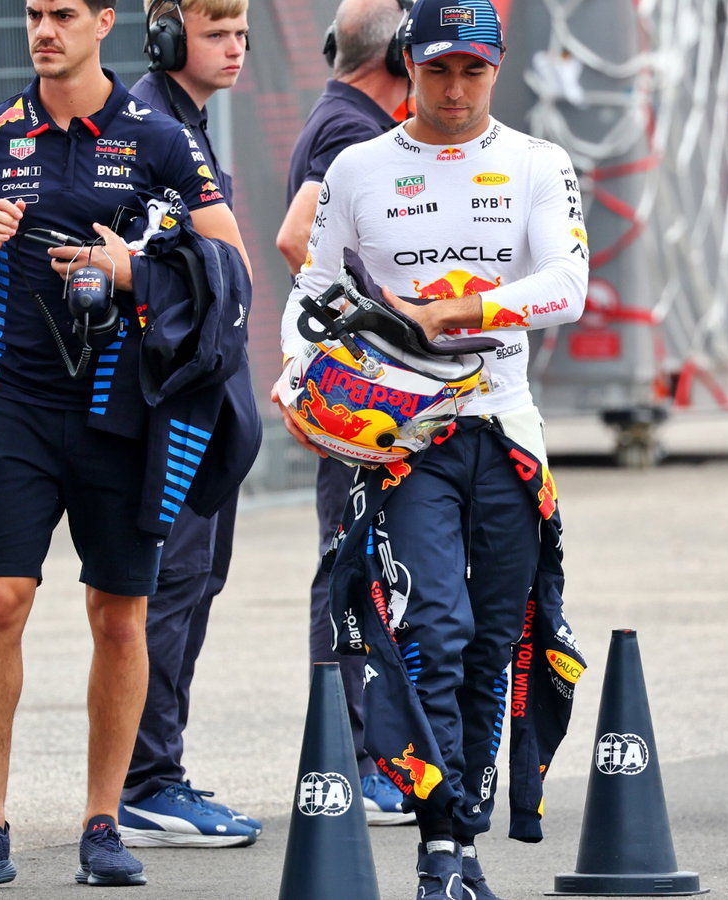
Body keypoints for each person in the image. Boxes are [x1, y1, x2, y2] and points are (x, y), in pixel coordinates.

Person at [0, 0, 249, 889]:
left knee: (118, 615)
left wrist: (131, 270)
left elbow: (234, 269)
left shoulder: (158, 135)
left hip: (124, 411)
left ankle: (104, 824)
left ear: (104, 21)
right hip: (16, 403)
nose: (44, 30)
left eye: (63, 14)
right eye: (33, 14)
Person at [276, 1, 587, 896]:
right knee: (433, 629)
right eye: (439, 69)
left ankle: (466, 844)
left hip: (507, 430)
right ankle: (439, 844)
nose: (455, 89)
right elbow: (313, 287)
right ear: (408, 63)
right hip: (408, 442)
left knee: (494, 641)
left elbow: (567, 285)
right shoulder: (357, 167)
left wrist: (461, 309)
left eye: (473, 71)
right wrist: (301, 381)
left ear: (497, 67)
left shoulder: (537, 162)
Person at [117, 0, 261, 849]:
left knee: (196, 582)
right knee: (171, 587)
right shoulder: (151, 129)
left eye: (241, 33)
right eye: (216, 33)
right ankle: (147, 782)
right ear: (166, 36)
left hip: (203, 400)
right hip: (169, 406)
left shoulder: (189, 125)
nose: (235, 48)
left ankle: (155, 772)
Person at [274, 0, 417, 827]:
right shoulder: (348, 132)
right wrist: (378, 331)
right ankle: (353, 762)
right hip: (359, 396)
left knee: (369, 564)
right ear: (398, 55)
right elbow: (299, 235)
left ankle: (369, 756)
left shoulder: (350, 122)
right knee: (351, 566)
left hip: (362, 392)